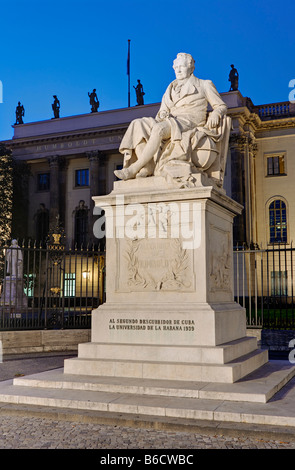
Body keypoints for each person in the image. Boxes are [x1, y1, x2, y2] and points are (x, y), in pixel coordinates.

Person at [114, 53, 227, 181]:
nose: (178, 70)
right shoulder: (170, 88)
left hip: (189, 121)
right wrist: (162, 114)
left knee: (158, 129)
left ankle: (134, 168)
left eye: (182, 67)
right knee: (137, 124)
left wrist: (217, 113)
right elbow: (162, 111)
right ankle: (148, 165)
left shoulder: (204, 84)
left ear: (191, 68)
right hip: (170, 120)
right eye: (176, 67)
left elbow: (221, 106)